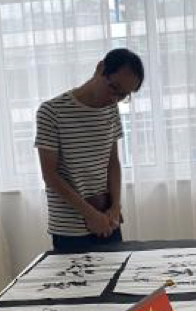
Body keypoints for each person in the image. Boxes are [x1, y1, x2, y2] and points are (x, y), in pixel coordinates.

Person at [35, 48, 144, 251]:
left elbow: (113, 162)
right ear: (100, 68)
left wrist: (115, 206)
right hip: (70, 227)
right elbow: (50, 175)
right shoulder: (51, 111)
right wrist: (90, 215)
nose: (115, 98)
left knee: (118, 271)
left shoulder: (111, 109)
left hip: (108, 220)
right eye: (114, 87)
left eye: (123, 95)